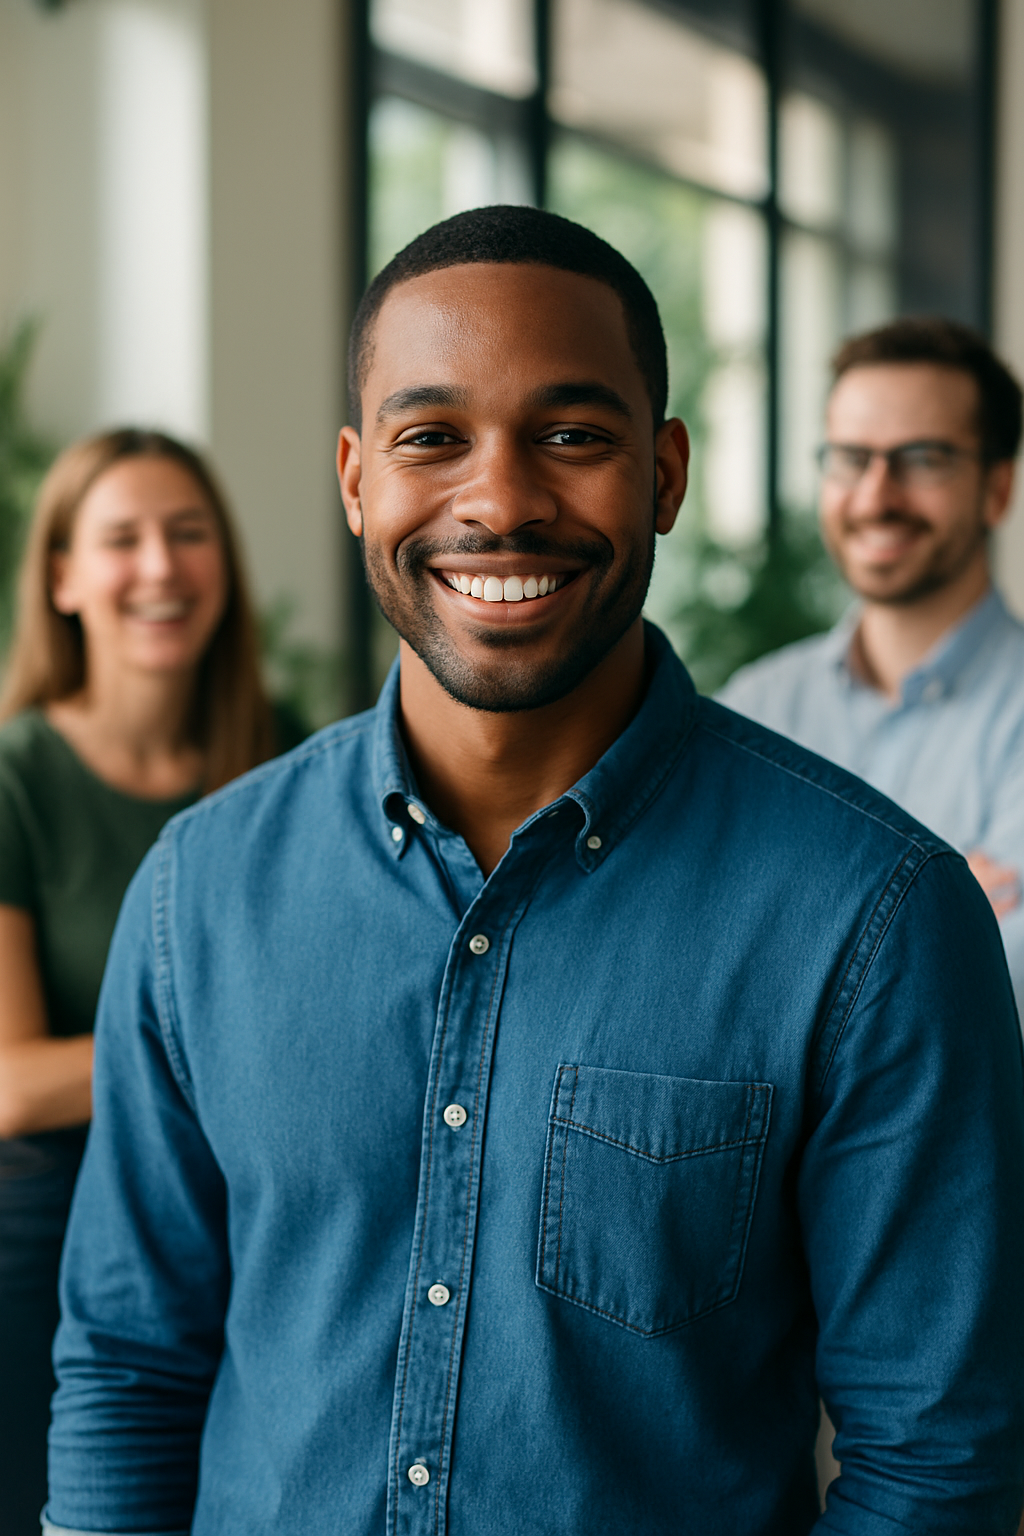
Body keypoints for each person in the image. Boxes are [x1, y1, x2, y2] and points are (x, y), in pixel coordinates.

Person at [45, 210, 1024, 1536]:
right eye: (431, 437)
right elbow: (127, 1370)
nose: (499, 501)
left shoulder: (876, 917)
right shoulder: (197, 893)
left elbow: (933, 1464)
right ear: (353, 479)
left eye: (572, 435)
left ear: (665, 474)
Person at [0, 427, 291, 1536]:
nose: (161, 567)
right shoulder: (17, 778)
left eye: (188, 534)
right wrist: (210, 1036)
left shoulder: (299, 769)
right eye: (122, 539)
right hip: (51, 1235)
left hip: (253, 1219)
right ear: (63, 577)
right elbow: (12, 1086)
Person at [719, 319, 1024, 1004]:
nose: (876, 496)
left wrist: (789, 917)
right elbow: (700, 966)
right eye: (852, 458)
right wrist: (937, 910)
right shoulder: (754, 707)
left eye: (923, 459)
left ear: (997, 488)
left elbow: (1000, 998)